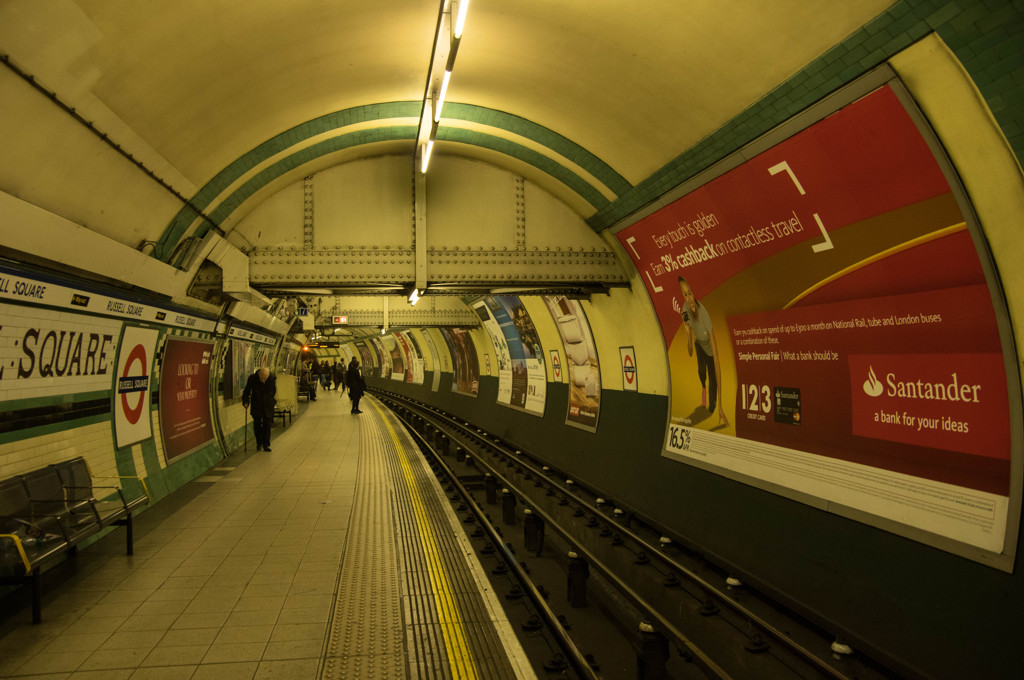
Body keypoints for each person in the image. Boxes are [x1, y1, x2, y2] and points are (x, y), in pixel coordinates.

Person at [677, 277, 728, 427]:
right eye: (685, 295)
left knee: (713, 382)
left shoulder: (704, 315)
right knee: (701, 371)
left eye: (690, 293)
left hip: (710, 351)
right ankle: (703, 388)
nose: (689, 298)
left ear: (693, 293)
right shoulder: (684, 311)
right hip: (699, 344)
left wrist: (720, 406)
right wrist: (687, 333)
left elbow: (717, 362)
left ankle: (713, 406)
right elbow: (691, 352)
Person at [242, 367, 277, 451]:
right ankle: (259, 443)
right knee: (257, 425)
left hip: (268, 405)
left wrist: (272, 401)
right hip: (257, 405)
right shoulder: (253, 378)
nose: (263, 380)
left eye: (265, 378)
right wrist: (246, 401)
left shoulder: (271, 379)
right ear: (259, 375)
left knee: (267, 425)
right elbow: (246, 391)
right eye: (261, 378)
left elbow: (273, 392)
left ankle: (266, 444)